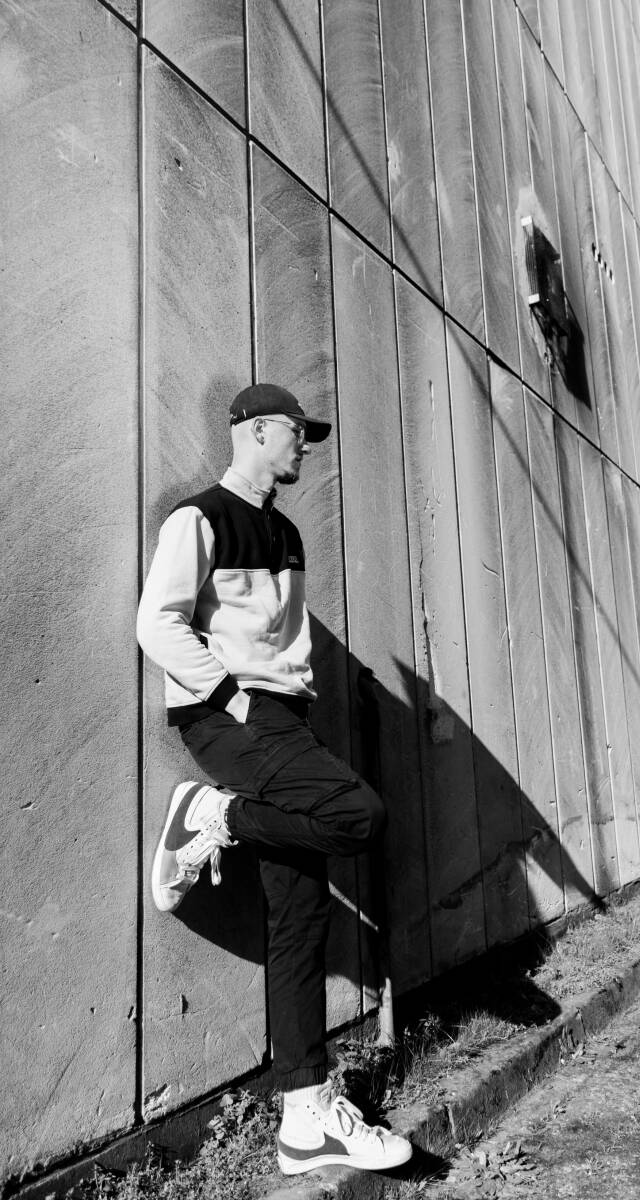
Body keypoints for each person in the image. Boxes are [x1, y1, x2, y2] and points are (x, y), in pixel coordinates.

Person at [136, 383, 412, 1176]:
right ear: (256, 432)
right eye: (296, 432)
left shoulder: (286, 533)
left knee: (300, 912)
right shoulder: (199, 518)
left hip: (284, 721)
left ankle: (303, 1117)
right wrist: (232, 698)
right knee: (361, 815)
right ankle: (217, 816)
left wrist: (278, 710)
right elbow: (157, 622)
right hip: (230, 716)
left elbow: (281, 645)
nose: (305, 446)